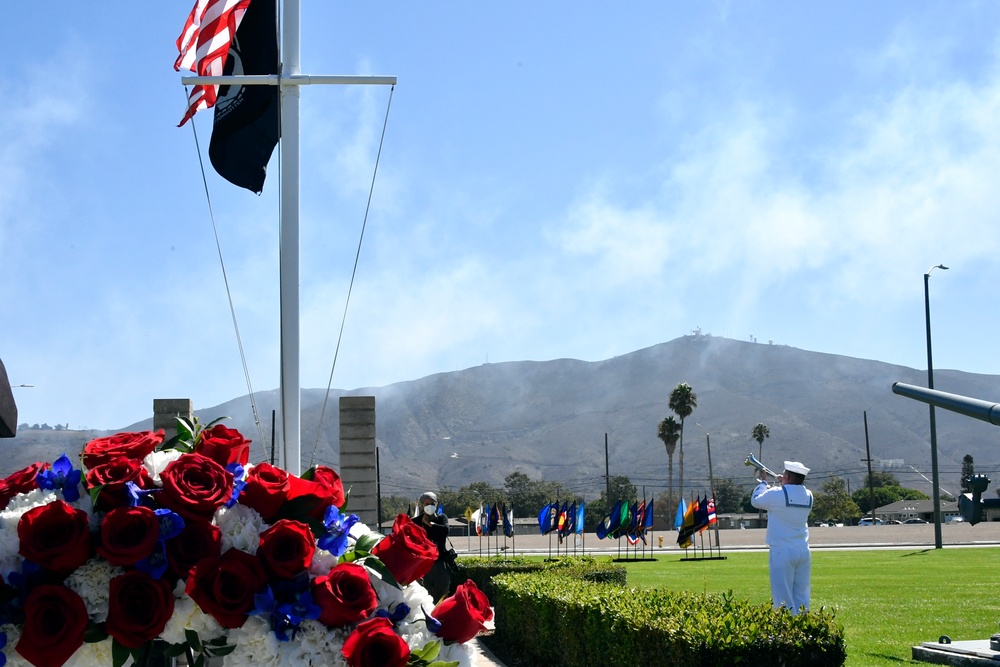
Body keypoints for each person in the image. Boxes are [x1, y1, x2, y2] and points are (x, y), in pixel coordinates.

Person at [750, 461, 813, 615]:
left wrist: (764, 482)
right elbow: (787, 496)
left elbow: (756, 500)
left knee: (782, 598)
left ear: (788, 477)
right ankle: (805, 629)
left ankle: (787, 631)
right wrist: (784, 483)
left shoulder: (776, 494)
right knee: (802, 596)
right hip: (803, 551)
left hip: (782, 551)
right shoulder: (809, 495)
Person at [415, 491, 451, 601]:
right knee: (424, 596)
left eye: (432, 504)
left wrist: (429, 524)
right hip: (423, 565)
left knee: (441, 595)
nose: (429, 506)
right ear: (422, 505)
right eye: (427, 504)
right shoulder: (416, 521)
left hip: (439, 563)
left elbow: (445, 530)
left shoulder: (441, 519)